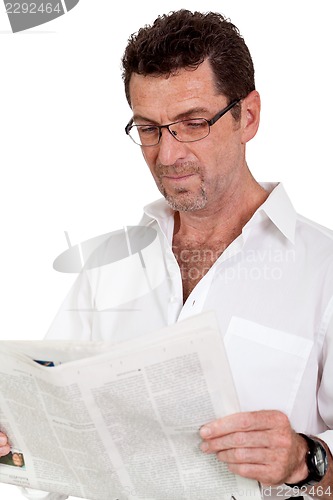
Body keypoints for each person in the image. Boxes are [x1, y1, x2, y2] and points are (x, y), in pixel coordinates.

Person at [1, 9, 333, 499]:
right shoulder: (107, 266)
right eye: (149, 129)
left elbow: (319, 471)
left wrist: (307, 460)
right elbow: (43, 432)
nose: (168, 154)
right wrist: (16, 443)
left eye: (193, 123)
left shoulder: (323, 270)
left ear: (249, 116)